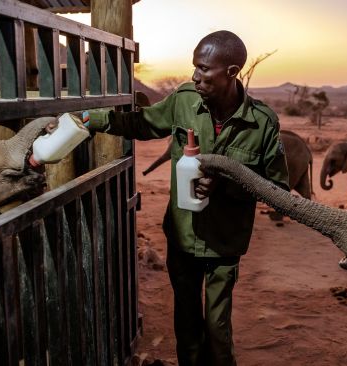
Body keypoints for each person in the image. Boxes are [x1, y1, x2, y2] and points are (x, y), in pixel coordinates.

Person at [87, 30, 289, 366]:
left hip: (225, 244)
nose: (195, 76)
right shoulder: (183, 101)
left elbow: (278, 189)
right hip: (182, 237)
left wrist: (226, 184)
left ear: (231, 72)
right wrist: (91, 120)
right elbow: (142, 124)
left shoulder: (262, 124)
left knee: (217, 326)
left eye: (204, 69)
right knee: (187, 323)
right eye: (194, 67)